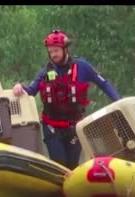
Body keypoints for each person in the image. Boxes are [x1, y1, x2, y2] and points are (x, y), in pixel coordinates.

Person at [12, 30, 122, 170]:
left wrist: (118, 101)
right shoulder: (45, 71)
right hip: (51, 127)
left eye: (56, 50)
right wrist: (18, 86)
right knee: (60, 164)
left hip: (74, 127)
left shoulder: (82, 66)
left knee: (72, 166)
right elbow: (31, 91)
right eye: (50, 51)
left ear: (65, 49)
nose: (53, 55)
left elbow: (104, 83)